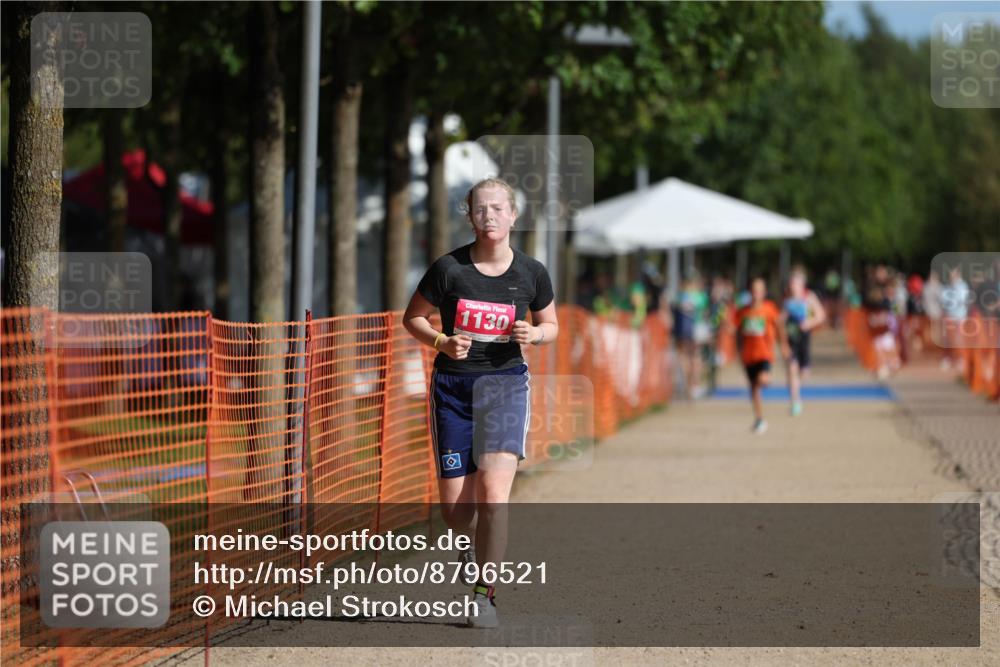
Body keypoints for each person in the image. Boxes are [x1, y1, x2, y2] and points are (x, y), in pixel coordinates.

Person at [402, 178, 558, 628]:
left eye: (497, 208)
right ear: (469, 216)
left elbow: (552, 325)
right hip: (453, 391)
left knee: (493, 496)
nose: (489, 215)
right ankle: (471, 546)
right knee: (456, 514)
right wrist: (442, 341)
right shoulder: (449, 269)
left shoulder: (531, 272)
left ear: (513, 215)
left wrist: (535, 333)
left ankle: (484, 595)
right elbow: (413, 317)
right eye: (480, 209)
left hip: (505, 387)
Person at [735, 277, 789, 434]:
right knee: (754, 388)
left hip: (764, 353)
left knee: (762, 380)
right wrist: (739, 350)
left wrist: (783, 345)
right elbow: (738, 332)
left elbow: (779, 327)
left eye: (759, 291)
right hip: (748, 355)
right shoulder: (743, 311)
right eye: (753, 290)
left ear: (764, 293)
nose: (756, 294)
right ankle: (759, 418)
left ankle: (765, 379)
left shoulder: (769, 309)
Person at [782, 268, 826, 416]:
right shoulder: (786, 299)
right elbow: (781, 319)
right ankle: (795, 401)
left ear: (802, 285)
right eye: (791, 283)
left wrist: (809, 322)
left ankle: (795, 389)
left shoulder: (809, 297)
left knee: (804, 373)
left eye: (796, 283)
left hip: (804, 339)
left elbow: (821, 315)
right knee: (791, 368)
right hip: (791, 339)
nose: (793, 286)